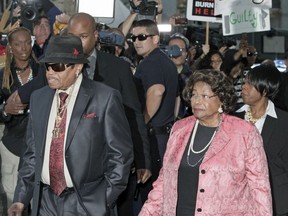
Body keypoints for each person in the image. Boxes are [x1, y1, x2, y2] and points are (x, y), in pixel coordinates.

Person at [6, 12, 152, 216]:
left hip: (87, 203)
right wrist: (21, 200)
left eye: (57, 66)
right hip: (46, 202)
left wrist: (103, 200)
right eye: (48, 66)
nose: (50, 72)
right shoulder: (40, 98)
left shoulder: (105, 97)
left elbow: (120, 155)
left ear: (77, 68)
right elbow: (32, 153)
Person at [139, 69, 272, 215]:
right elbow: (164, 181)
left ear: (222, 98)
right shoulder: (179, 129)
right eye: (194, 94)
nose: (197, 101)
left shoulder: (244, 133)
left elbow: (260, 189)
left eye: (204, 96)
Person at [131, 19, 179, 202]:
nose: (136, 41)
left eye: (142, 37)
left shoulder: (150, 63)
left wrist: (142, 121)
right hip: (164, 137)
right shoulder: (166, 62)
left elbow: (157, 91)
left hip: (153, 140)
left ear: (156, 38)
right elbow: (176, 99)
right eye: (134, 37)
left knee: (150, 199)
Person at [235, 64, 288, 216]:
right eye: (244, 82)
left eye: (250, 84)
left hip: (276, 199)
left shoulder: (284, 122)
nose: (243, 87)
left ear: (265, 89)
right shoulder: (232, 117)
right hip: (236, 198)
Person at [0, 27, 41, 212]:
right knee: (12, 197)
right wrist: (5, 110)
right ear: (10, 47)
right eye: (18, 43)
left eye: (27, 42)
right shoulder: (2, 76)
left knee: (36, 199)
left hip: (40, 144)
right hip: (12, 144)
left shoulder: (44, 72)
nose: (24, 48)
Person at [167, 33, 192, 119]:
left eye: (182, 50)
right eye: (174, 49)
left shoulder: (193, 78)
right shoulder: (159, 74)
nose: (177, 53)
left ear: (186, 54)